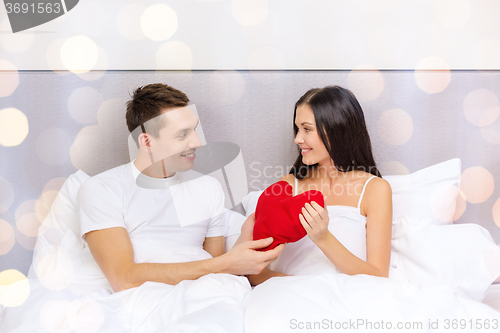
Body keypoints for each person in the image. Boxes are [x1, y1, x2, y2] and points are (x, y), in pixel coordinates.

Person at [77, 83, 284, 292]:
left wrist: (240, 250)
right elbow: (123, 279)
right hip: (147, 301)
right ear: (147, 142)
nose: (196, 142)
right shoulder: (102, 189)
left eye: (194, 129)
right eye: (182, 134)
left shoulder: (208, 188)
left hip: (209, 296)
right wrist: (229, 262)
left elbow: (217, 272)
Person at [252, 85, 392, 281]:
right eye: (297, 129)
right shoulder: (288, 186)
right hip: (289, 296)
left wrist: (323, 238)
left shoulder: (375, 190)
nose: (298, 139)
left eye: (307, 129)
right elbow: (255, 272)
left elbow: (378, 275)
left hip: (348, 298)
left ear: (337, 130)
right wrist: (300, 287)